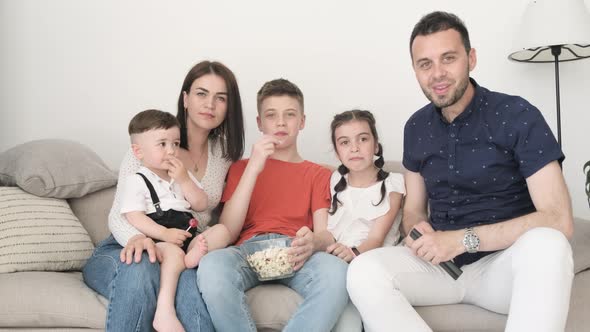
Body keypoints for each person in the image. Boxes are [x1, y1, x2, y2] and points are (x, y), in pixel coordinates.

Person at [347, 11, 574, 332]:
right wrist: (418, 232)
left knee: (549, 246)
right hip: (440, 269)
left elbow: (558, 219)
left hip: (504, 268)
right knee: (363, 270)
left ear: (471, 58)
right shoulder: (415, 127)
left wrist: (462, 240)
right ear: (415, 70)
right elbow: (412, 210)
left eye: (448, 58)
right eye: (425, 64)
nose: (437, 73)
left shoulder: (518, 114)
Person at [83, 60, 245, 332]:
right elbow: (120, 215)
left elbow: (210, 211)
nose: (210, 104)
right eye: (201, 94)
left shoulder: (224, 155)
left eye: (221, 98)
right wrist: (140, 239)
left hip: (185, 249)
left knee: (191, 294)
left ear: (229, 107)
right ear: (185, 98)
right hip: (128, 243)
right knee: (140, 266)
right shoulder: (150, 145)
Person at [197, 78, 349, 332]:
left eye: (290, 115)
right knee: (212, 266)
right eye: (271, 115)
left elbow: (325, 233)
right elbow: (229, 229)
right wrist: (255, 167)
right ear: (260, 122)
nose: (280, 122)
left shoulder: (317, 174)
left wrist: (314, 241)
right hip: (247, 250)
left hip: (295, 252)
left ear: (302, 121)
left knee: (336, 271)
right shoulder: (241, 168)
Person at [327, 109, 404, 262]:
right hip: (336, 257)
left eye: (363, 139)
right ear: (337, 152)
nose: (354, 148)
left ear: (376, 145)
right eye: (345, 142)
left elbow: (376, 239)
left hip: (372, 259)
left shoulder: (392, 184)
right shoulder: (336, 179)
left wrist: (351, 253)